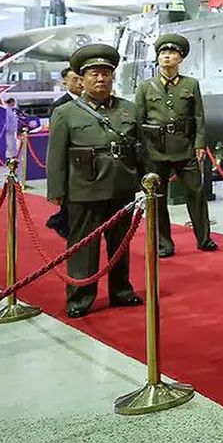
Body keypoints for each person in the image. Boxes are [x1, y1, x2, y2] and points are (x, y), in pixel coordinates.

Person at [45, 44, 143, 318]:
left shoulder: (128, 109)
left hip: (121, 186)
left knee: (120, 244)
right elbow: (56, 155)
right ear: (82, 79)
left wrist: (147, 181)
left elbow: (139, 148)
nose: (101, 79)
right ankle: (80, 297)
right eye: (94, 74)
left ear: (112, 77)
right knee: (84, 246)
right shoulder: (66, 113)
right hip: (84, 188)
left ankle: (121, 290)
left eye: (106, 74)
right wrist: (57, 190)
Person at [135, 33, 216, 256]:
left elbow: (199, 116)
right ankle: (164, 243)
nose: (167, 57)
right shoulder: (145, 87)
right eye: (163, 53)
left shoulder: (191, 84)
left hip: (185, 148)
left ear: (180, 59)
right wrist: (141, 153)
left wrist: (200, 144)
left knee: (196, 194)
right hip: (155, 150)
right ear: (158, 59)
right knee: (158, 200)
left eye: (171, 53)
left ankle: (204, 238)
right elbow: (139, 121)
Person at [45, 67, 82, 238]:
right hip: (68, 161)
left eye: (81, 78)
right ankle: (62, 224)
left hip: (86, 163)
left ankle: (60, 222)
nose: (79, 83)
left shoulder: (92, 102)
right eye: (74, 79)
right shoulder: (59, 106)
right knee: (69, 201)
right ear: (64, 82)